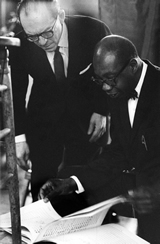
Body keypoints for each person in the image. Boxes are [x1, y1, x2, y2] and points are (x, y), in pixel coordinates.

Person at [39, 34, 160, 244]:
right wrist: (73, 181)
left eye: (110, 79)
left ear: (132, 66)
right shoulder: (118, 88)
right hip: (144, 194)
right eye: (100, 80)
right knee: (69, 188)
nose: (105, 87)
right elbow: (120, 151)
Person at [9, 0, 111, 201]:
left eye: (48, 32)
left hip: (87, 114)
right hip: (44, 114)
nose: (43, 42)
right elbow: (16, 93)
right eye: (33, 37)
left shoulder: (93, 30)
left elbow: (112, 73)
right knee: (41, 182)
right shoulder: (20, 45)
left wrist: (102, 110)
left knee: (84, 182)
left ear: (61, 16)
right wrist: (19, 138)